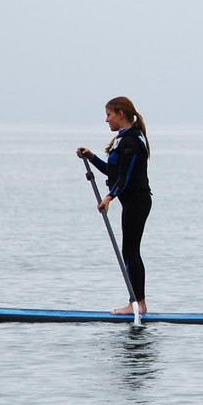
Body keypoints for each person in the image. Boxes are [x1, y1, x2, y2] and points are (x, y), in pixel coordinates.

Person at [76, 97, 152, 315]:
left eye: (109, 115)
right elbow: (114, 173)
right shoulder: (123, 139)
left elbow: (126, 177)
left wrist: (110, 197)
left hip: (137, 200)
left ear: (121, 114)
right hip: (131, 201)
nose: (106, 120)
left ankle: (137, 304)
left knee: (130, 251)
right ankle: (138, 302)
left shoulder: (132, 141)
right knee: (129, 250)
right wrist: (90, 157)